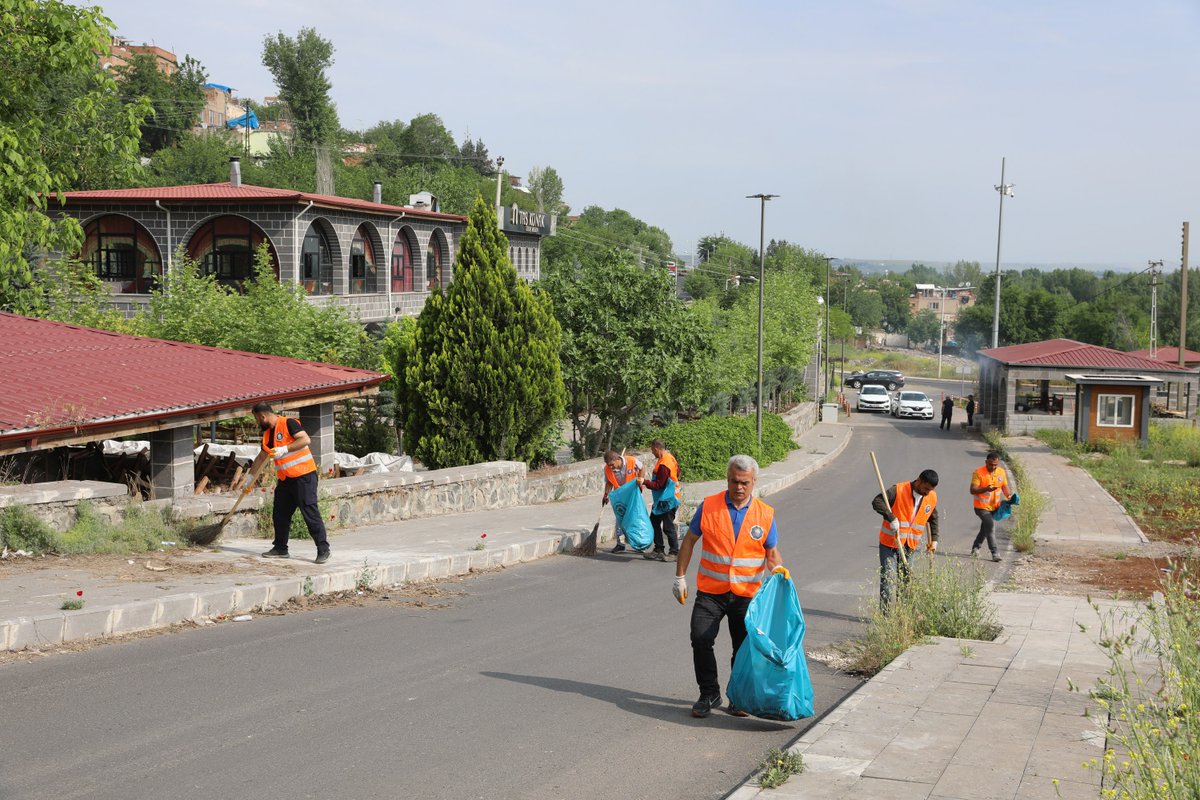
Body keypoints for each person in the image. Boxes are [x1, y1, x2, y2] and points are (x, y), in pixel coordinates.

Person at [674, 455, 782, 718]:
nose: (739, 487)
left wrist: (780, 574)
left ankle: (737, 696)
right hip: (711, 591)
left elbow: (772, 553)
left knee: (742, 648)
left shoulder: (765, 514)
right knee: (700, 638)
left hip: (747, 594)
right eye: (734, 481)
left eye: (745, 482)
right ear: (728, 478)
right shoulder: (709, 507)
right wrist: (680, 576)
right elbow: (689, 541)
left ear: (754, 481)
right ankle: (709, 693)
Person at [249, 401, 330, 564]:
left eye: (257, 419)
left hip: (304, 476)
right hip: (286, 479)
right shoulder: (267, 435)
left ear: (262, 416)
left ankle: (323, 549)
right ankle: (280, 548)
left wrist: (285, 449)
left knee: (309, 512)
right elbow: (261, 457)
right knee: (280, 513)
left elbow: (305, 440)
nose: (257, 423)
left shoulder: (288, 423)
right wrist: (249, 479)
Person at [871, 469, 939, 608]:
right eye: (926, 488)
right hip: (890, 543)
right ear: (919, 480)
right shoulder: (899, 490)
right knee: (888, 580)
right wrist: (890, 517)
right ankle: (886, 616)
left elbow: (933, 518)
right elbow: (877, 501)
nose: (927, 492)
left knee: (906, 582)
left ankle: (903, 613)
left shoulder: (931, 497)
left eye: (930, 490)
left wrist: (934, 540)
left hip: (910, 546)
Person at [640, 439, 682, 562]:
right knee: (654, 521)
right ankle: (658, 549)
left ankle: (674, 552)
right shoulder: (670, 458)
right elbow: (678, 473)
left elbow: (659, 485)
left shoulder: (664, 465)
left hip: (667, 500)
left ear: (657, 448)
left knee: (668, 527)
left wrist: (644, 482)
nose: (652, 453)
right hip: (663, 499)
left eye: (652, 450)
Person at [970, 451, 1013, 562]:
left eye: (995, 465)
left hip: (995, 508)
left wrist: (1009, 496)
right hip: (981, 508)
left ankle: (975, 548)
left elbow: (1004, 486)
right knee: (990, 527)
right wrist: (986, 489)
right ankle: (995, 553)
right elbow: (972, 490)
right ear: (986, 462)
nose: (993, 467)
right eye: (990, 464)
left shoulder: (1001, 472)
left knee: (985, 529)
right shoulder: (978, 473)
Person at [603, 450, 644, 553]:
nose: (611, 467)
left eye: (612, 465)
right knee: (619, 520)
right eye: (609, 465)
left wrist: (640, 479)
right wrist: (605, 495)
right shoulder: (607, 469)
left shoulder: (632, 460)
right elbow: (609, 482)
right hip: (620, 497)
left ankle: (639, 544)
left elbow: (642, 468)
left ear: (617, 459)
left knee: (635, 519)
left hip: (633, 495)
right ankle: (620, 544)